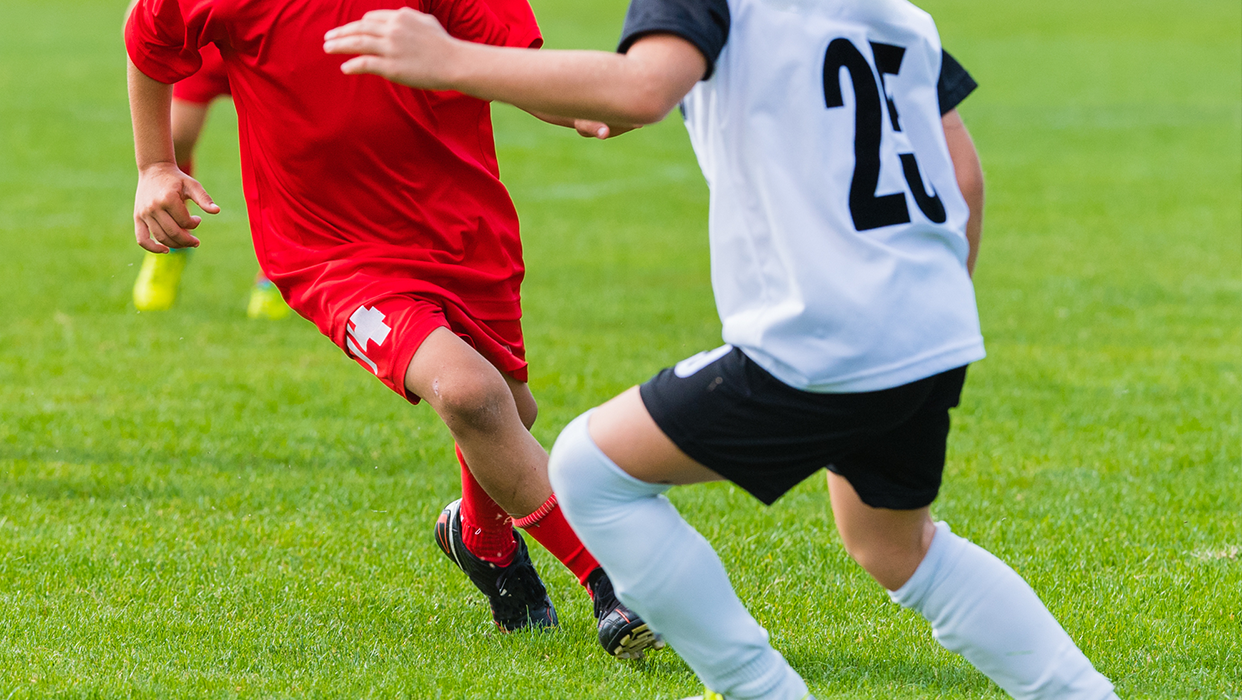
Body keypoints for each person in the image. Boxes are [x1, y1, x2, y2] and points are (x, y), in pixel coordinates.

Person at [325, 0, 1118, 697]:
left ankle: (756, 689)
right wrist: (927, 310)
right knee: (895, 545)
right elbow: (964, 174)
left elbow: (644, 85)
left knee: (589, 472)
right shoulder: (894, 11)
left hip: (822, 334)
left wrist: (449, 59)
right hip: (931, 327)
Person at [126, 0, 656, 657]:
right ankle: (615, 584)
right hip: (327, 251)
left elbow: (517, 67)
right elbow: (149, 40)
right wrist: (154, 165)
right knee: (469, 393)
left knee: (510, 412)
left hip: (462, 232)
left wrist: (586, 104)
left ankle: (483, 542)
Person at [129, 39, 292, 320]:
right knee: (173, 138)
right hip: (205, 34)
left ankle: (278, 271)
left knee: (285, 149)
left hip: (271, 36)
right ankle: (171, 243)